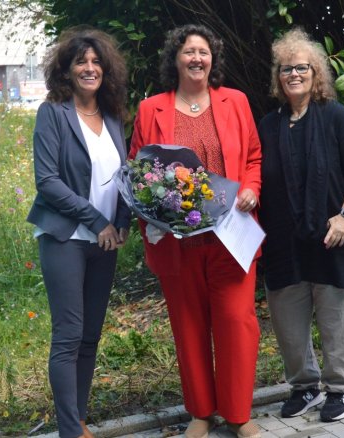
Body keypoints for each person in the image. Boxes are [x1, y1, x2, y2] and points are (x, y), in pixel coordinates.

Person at [129, 24, 263, 438]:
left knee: (236, 323)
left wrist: (251, 190)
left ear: (213, 59)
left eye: (203, 52)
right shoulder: (151, 109)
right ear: (176, 58)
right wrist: (152, 212)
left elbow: (254, 157)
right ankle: (201, 412)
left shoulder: (235, 102)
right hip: (178, 242)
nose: (196, 59)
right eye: (189, 51)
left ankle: (239, 415)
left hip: (231, 237)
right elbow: (137, 172)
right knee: (188, 326)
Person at [257, 28, 344, 423]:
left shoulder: (338, 118)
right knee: (288, 325)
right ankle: (304, 386)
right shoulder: (269, 126)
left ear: (317, 73)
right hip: (285, 245)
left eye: (302, 68)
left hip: (334, 240)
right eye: (286, 68)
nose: (294, 74)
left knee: (337, 321)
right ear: (278, 77)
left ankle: (341, 389)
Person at [26, 27, 131, 438]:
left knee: (90, 337)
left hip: (106, 241)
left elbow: (124, 175)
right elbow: (47, 182)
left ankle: (79, 421)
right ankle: (70, 431)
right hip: (66, 238)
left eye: (95, 61)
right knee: (68, 337)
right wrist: (96, 220)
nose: (89, 68)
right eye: (80, 62)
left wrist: (120, 222)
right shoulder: (52, 112)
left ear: (105, 69)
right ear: (66, 70)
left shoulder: (113, 115)